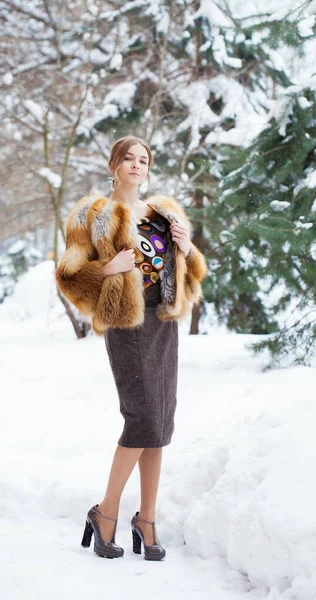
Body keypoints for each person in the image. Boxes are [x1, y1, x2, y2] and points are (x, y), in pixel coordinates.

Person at [55, 136, 207, 561]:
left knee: (159, 422)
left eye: (144, 159)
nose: (137, 165)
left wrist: (186, 248)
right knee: (141, 417)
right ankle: (106, 512)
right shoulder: (92, 214)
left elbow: (192, 277)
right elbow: (68, 277)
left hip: (163, 321)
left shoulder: (165, 214)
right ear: (113, 165)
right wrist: (108, 268)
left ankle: (147, 518)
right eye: (129, 159)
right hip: (126, 323)